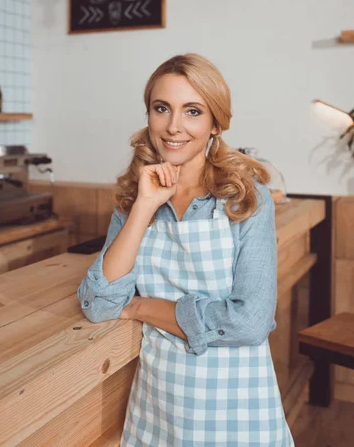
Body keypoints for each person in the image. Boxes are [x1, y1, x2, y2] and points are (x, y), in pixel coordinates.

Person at [78, 53, 295, 446]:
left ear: (215, 124)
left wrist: (145, 307)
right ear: (148, 116)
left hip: (237, 406)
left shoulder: (245, 201)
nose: (173, 126)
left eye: (192, 111)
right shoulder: (134, 201)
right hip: (160, 402)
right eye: (162, 108)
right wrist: (144, 206)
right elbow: (100, 303)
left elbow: (250, 322)